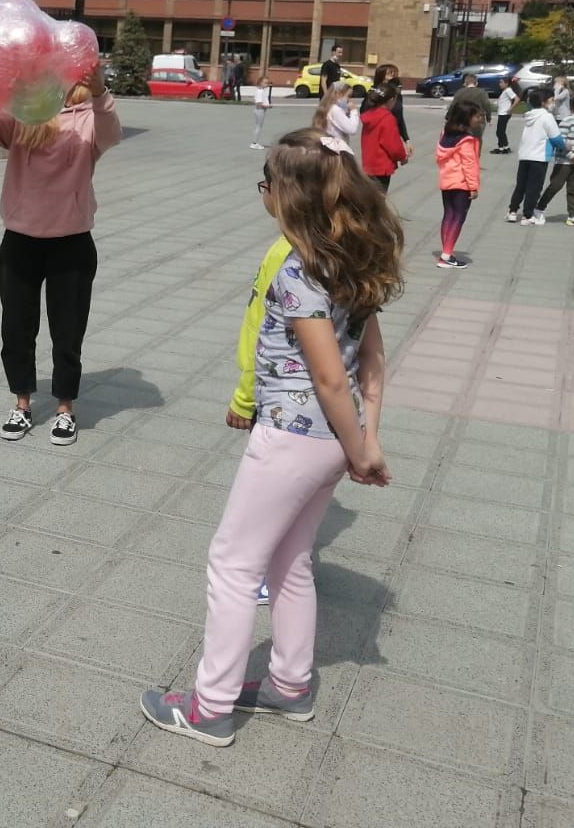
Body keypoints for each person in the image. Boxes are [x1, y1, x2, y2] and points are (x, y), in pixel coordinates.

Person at [140, 129, 400, 746]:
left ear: (286, 195)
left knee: (232, 564)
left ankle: (210, 706)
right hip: (331, 441)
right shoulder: (347, 256)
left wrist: (362, 445)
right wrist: (365, 437)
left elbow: (331, 377)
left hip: (292, 435)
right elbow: (372, 361)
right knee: (290, 561)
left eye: (266, 184)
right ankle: (289, 685)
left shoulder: (297, 268)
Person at [0, 65, 121, 446]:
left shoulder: (90, 118)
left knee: (67, 331)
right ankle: (21, 403)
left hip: (71, 242)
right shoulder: (22, 118)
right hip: (21, 239)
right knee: (16, 329)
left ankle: (65, 409)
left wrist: (101, 91)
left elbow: (112, 135)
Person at [536, 93, 574, 227]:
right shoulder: (568, 121)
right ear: (573, 107)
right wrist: (572, 155)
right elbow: (561, 142)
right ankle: (539, 208)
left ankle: (573, 215)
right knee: (555, 186)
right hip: (564, 161)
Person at [507, 89, 565, 226]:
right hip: (539, 157)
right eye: (551, 101)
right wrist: (565, 146)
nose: (553, 104)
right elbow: (556, 137)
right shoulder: (547, 117)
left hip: (525, 155)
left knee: (521, 185)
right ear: (543, 102)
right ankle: (528, 215)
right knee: (534, 187)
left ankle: (512, 211)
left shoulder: (529, 115)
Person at [436, 101, 482, 268]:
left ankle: (446, 251)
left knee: (448, 214)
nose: (479, 119)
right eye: (477, 116)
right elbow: (470, 164)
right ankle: (446, 255)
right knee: (459, 217)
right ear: (467, 118)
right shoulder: (467, 141)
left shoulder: (444, 135)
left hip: (447, 180)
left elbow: (438, 157)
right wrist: (473, 186)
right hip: (462, 183)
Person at [359, 84, 407, 192]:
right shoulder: (387, 118)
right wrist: (403, 157)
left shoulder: (370, 115)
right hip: (381, 166)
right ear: (391, 100)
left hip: (368, 163)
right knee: (379, 200)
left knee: (370, 198)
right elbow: (393, 145)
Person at [362, 64, 411, 158]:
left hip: (392, 135)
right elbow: (364, 115)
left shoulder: (397, 95)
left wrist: (406, 140)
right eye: (389, 73)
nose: (393, 75)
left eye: (394, 73)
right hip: (376, 137)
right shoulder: (373, 93)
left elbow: (400, 118)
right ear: (381, 75)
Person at [450, 73, 492, 144]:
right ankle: (476, 154)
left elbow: (453, 106)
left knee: (461, 140)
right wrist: (488, 118)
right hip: (478, 121)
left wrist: (448, 118)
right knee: (476, 141)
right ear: (476, 83)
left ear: (465, 83)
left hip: (462, 121)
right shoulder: (482, 92)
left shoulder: (459, 92)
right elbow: (487, 105)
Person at [492, 82, 517, 154]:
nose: (499, 84)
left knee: (499, 132)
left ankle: (502, 148)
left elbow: (517, 99)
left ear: (507, 83)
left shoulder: (508, 90)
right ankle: (504, 148)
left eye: (501, 82)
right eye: (499, 82)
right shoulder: (505, 91)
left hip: (504, 114)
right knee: (501, 131)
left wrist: (511, 109)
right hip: (502, 113)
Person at [250, 76, 273, 149]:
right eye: (265, 83)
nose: (267, 84)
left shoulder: (260, 91)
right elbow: (258, 103)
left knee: (258, 126)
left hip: (260, 110)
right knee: (258, 127)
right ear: (260, 83)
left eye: (267, 83)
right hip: (260, 110)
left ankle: (254, 142)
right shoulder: (260, 92)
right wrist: (268, 106)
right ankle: (254, 143)